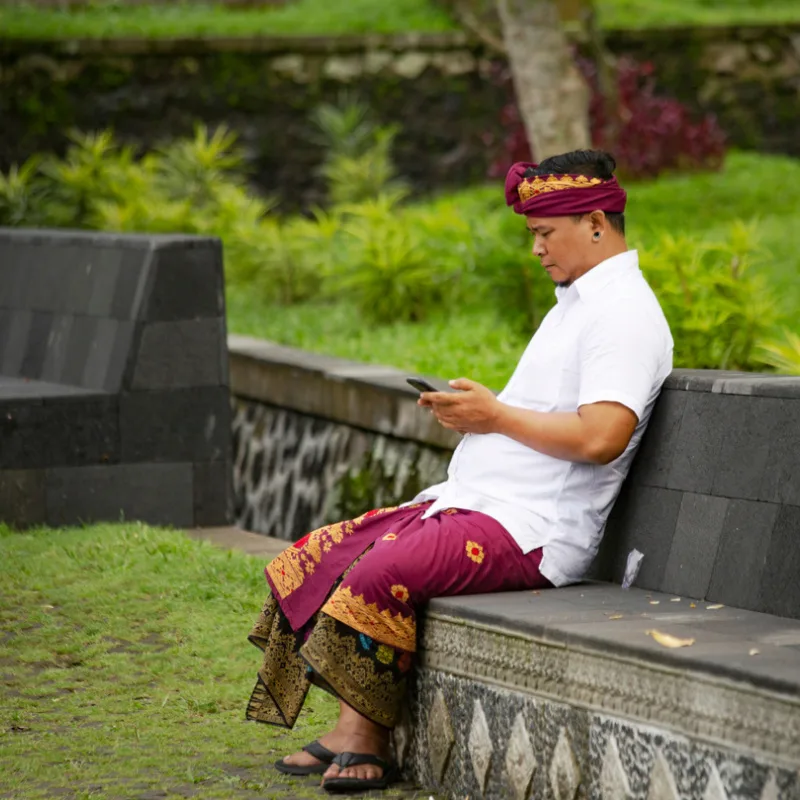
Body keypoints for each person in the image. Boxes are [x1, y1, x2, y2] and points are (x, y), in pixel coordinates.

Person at [245, 149, 673, 793]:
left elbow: (602, 437)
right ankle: (345, 730)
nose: (536, 250)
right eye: (533, 235)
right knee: (319, 555)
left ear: (594, 222)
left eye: (543, 233)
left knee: (380, 572)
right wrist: (482, 416)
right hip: (482, 502)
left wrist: (494, 415)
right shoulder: (578, 305)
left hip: (534, 532)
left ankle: (367, 739)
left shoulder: (624, 314)